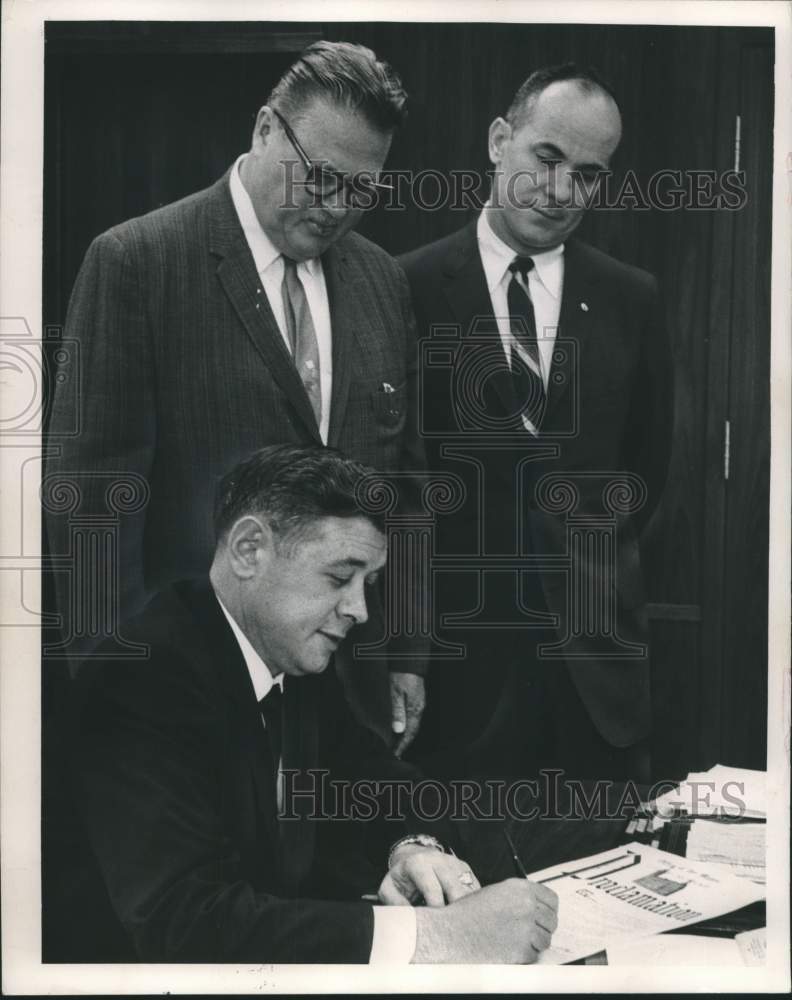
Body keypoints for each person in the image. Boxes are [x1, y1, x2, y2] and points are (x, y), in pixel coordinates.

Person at [44, 40, 425, 751]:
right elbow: (94, 502)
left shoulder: (383, 280)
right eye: (320, 177)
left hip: (348, 696)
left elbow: (402, 482)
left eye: (362, 190)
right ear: (262, 128)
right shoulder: (138, 262)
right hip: (187, 695)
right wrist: (114, 690)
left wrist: (405, 651)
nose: (337, 206)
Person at [63, 445, 563, 964]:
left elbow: (374, 784)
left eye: (367, 583)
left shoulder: (286, 654)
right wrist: (435, 937)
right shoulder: (138, 681)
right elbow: (185, 924)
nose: (359, 610)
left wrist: (412, 847)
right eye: (338, 577)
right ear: (250, 549)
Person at [400, 64, 673, 782]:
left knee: (603, 875)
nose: (560, 192)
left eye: (587, 174)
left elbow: (644, 475)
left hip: (591, 674)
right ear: (499, 141)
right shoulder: (408, 286)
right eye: (546, 159)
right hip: (454, 673)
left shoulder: (631, 299)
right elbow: (398, 481)